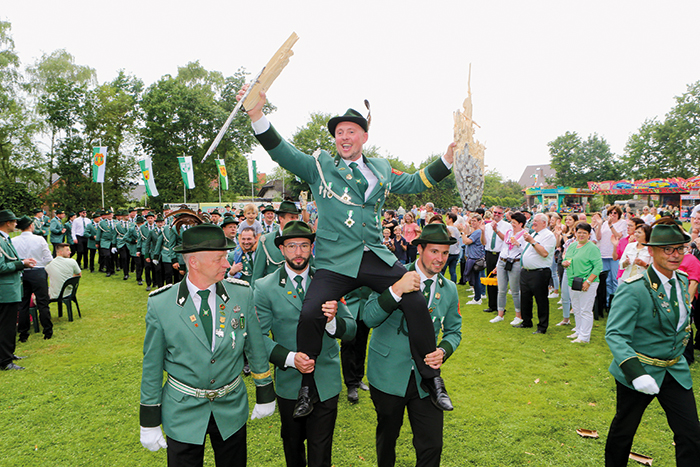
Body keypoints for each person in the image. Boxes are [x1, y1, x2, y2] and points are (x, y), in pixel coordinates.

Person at [238, 86, 456, 416]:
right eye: (339, 132)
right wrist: (256, 114)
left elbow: (415, 181)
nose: (344, 137)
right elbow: (282, 152)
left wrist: (447, 159)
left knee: (414, 297)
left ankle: (432, 378)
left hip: (375, 256)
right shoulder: (320, 166)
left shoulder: (381, 169)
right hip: (334, 261)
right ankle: (306, 389)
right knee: (311, 313)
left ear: (364, 137)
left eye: (350, 131)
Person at [139, 223, 276, 465]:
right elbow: (152, 364)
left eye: (225, 257)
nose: (227, 264)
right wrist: (149, 421)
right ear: (194, 262)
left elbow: (255, 346)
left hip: (230, 406)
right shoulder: (162, 304)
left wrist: (265, 391)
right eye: (219, 258)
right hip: (183, 411)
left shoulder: (241, 294)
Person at [255, 221, 356, 467]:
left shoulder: (328, 281)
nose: (298, 252)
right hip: (291, 383)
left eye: (303, 245)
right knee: (293, 446)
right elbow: (256, 339)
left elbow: (351, 329)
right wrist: (290, 359)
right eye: (291, 246)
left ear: (312, 248)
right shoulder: (265, 287)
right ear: (281, 249)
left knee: (321, 451)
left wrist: (332, 322)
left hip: (326, 381)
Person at [363, 223, 462, 467]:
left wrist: (443, 351)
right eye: (434, 251)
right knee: (388, 437)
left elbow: (453, 332)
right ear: (420, 249)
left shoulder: (448, 289)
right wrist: (396, 290)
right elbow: (369, 317)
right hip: (387, 373)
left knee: (432, 445)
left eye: (445, 253)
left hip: (425, 379)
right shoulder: (392, 275)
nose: (440, 259)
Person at [604, 222, 700, 466]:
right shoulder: (634, 289)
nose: (675, 254)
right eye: (668, 249)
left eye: (680, 249)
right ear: (653, 250)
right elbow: (615, 334)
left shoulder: (681, 280)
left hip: (675, 370)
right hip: (641, 370)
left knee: (691, 434)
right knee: (624, 430)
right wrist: (636, 374)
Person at [0, 210, 35, 370]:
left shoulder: (5, 239)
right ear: (7, 223)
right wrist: (22, 264)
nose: (16, 224)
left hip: (11, 288)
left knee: (9, 325)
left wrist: (23, 261)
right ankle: (5, 361)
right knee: (6, 326)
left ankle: (8, 353)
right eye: (14, 222)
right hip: (5, 291)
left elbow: (10, 260)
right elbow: (1, 266)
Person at [12, 216, 54, 341]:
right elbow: (49, 258)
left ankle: (23, 334)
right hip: (38, 271)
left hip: (22, 272)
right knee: (42, 302)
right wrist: (40, 263)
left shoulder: (14, 240)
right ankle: (47, 331)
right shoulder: (39, 239)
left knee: (23, 304)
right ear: (31, 226)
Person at [561, 222, 602, 344]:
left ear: (589, 235)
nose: (581, 235)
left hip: (587, 282)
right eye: (579, 232)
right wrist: (565, 263)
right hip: (573, 281)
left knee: (585, 309)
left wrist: (589, 281)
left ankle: (584, 337)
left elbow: (598, 267)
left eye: (585, 233)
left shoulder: (592, 248)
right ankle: (578, 330)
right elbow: (567, 259)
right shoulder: (573, 246)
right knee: (577, 308)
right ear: (575, 233)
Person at [516, 213, 556, 334]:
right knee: (525, 298)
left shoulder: (548, 236)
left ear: (544, 223)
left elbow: (544, 253)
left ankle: (542, 326)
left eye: (536, 221)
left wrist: (532, 241)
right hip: (526, 271)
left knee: (541, 299)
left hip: (539, 272)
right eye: (533, 220)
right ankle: (526, 321)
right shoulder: (534, 234)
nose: (533, 223)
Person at [251, 200, 302, 284]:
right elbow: (257, 276)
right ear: (281, 218)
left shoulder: (302, 240)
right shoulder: (266, 241)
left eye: (297, 217)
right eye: (292, 217)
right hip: (274, 291)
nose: (295, 221)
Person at [491, 212, 526, 325]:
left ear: (521, 224)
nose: (512, 225)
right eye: (512, 222)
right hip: (503, 261)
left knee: (515, 291)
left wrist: (518, 244)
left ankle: (518, 315)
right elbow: (503, 248)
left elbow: (526, 251)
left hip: (515, 262)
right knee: (501, 289)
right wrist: (497, 265)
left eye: (515, 223)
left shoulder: (525, 234)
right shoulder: (508, 232)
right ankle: (500, 314)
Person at [482, 206, 510, 313]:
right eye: (495, 212)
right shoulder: (488, 226)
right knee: (490, 279)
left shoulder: (507, 226)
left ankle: (500, 306)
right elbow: (485, 242)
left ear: (503, 215)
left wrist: (496, 230)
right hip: (489, 253)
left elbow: (506, 240)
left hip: (500, 254)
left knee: (500, 280)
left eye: (499, 213)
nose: (497, 214)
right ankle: (492, 305)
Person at [461, 214, 486, 305]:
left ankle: (477, 298)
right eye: (472, 221)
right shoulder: (476, 231)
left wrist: (462, 233)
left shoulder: (478, 232)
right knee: (475, 278)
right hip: (474, 257)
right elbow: (468, 234)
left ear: (480, 222)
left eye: (474, 221)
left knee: (476, 279)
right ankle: (477, 295)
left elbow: (467, 241)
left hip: (475, 258)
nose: (472, 222)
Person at [442, 212, 460, 282]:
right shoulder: (457, 229)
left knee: (442, 271)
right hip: (455, 252)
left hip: (448, 252)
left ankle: (441, 285)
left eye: (447, 218)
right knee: (453, 271)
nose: (445, 219)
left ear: (451, 219)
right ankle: (453, 285)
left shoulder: (447, 228)